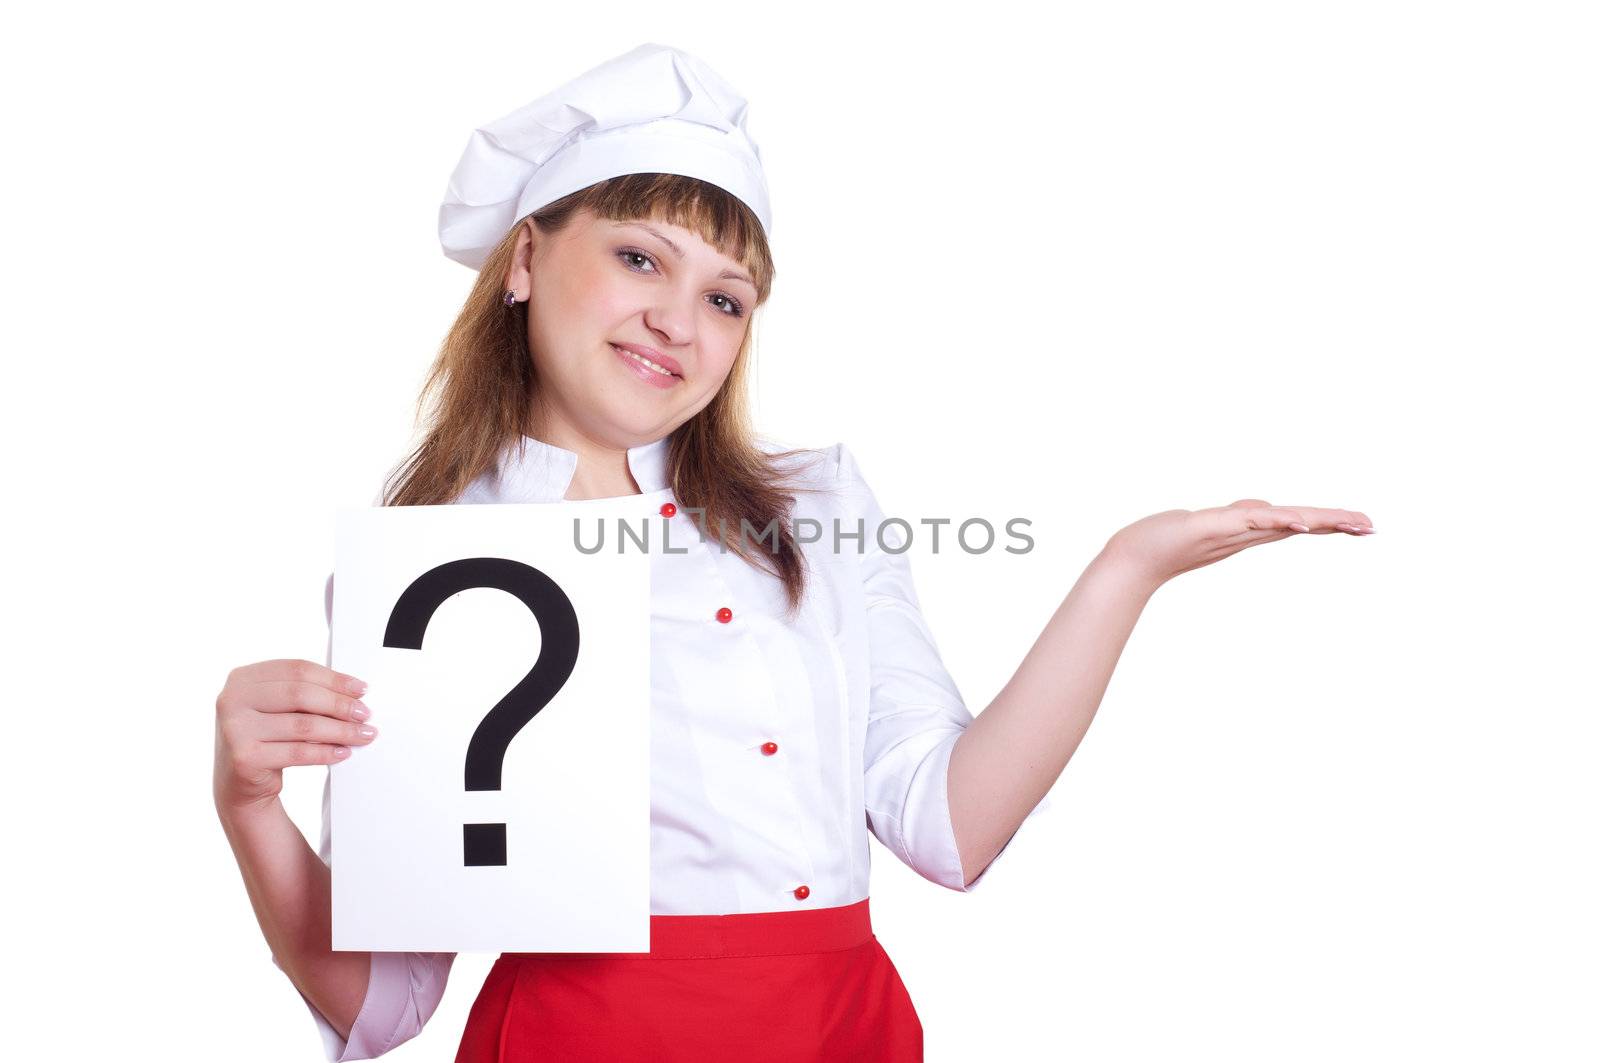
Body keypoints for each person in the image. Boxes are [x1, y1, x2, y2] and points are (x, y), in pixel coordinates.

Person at [212, 42, 1375, 1063]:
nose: (681, 319)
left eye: (727, 297)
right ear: (523, 259)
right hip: (590, 1040)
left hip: (841, 1023)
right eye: (638, 258)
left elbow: (948, 827)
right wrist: (251, 800)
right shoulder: (444, 566)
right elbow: (390, 996)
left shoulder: (815, 505)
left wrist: (1127, 569)